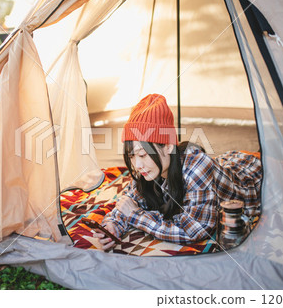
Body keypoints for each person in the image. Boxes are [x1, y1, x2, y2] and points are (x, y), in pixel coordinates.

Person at [94, 93, 262, 250]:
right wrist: (113, 226)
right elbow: (128, 202)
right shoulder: (148, 169)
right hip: (223, 163)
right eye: (132, 156)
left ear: (167, 146)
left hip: (249, 172)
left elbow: (195, 230)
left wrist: (136, 216)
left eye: (143, 155)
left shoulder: (197, 166)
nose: (137, 164)